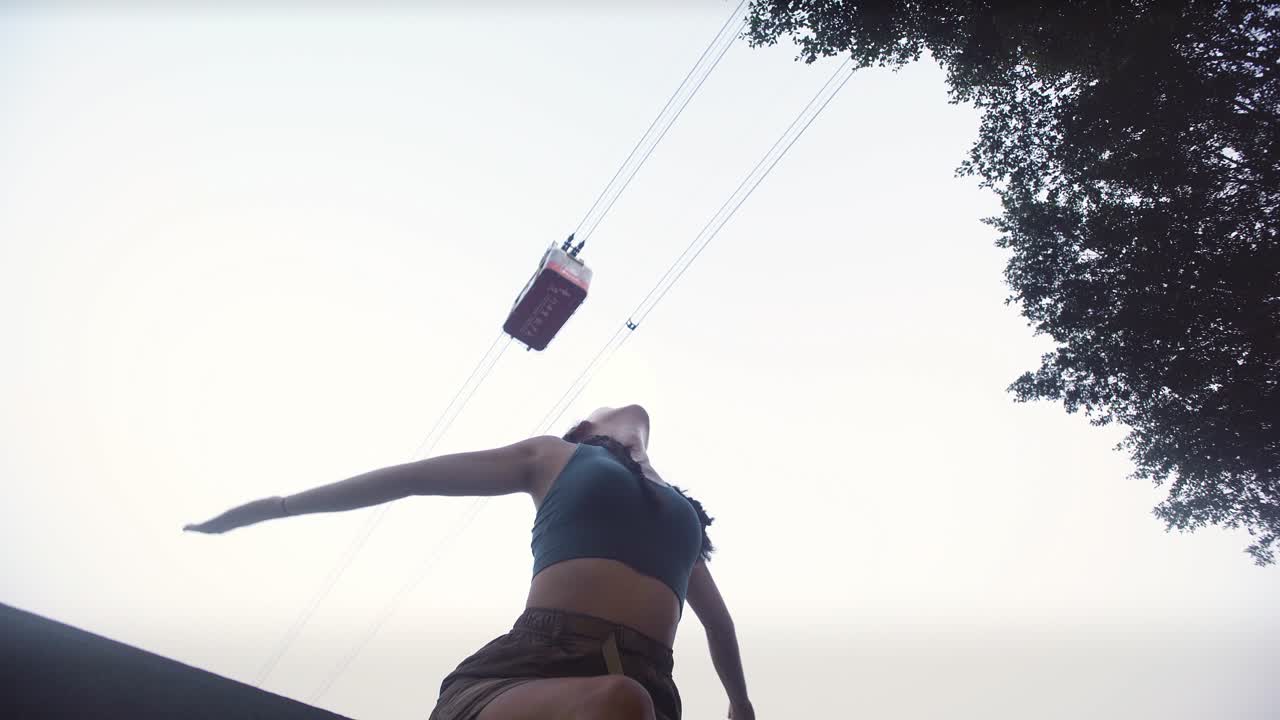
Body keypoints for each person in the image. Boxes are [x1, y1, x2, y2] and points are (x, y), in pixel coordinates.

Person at [184, 404, 753, 720]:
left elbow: (719, 624)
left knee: (628, 701)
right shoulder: (554, 455)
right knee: (621, 703)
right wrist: (280, 506)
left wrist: (740, 703)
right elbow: (411, 478)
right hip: (532, 669)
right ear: (583, 428)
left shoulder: (678, 514)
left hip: (648, 685)